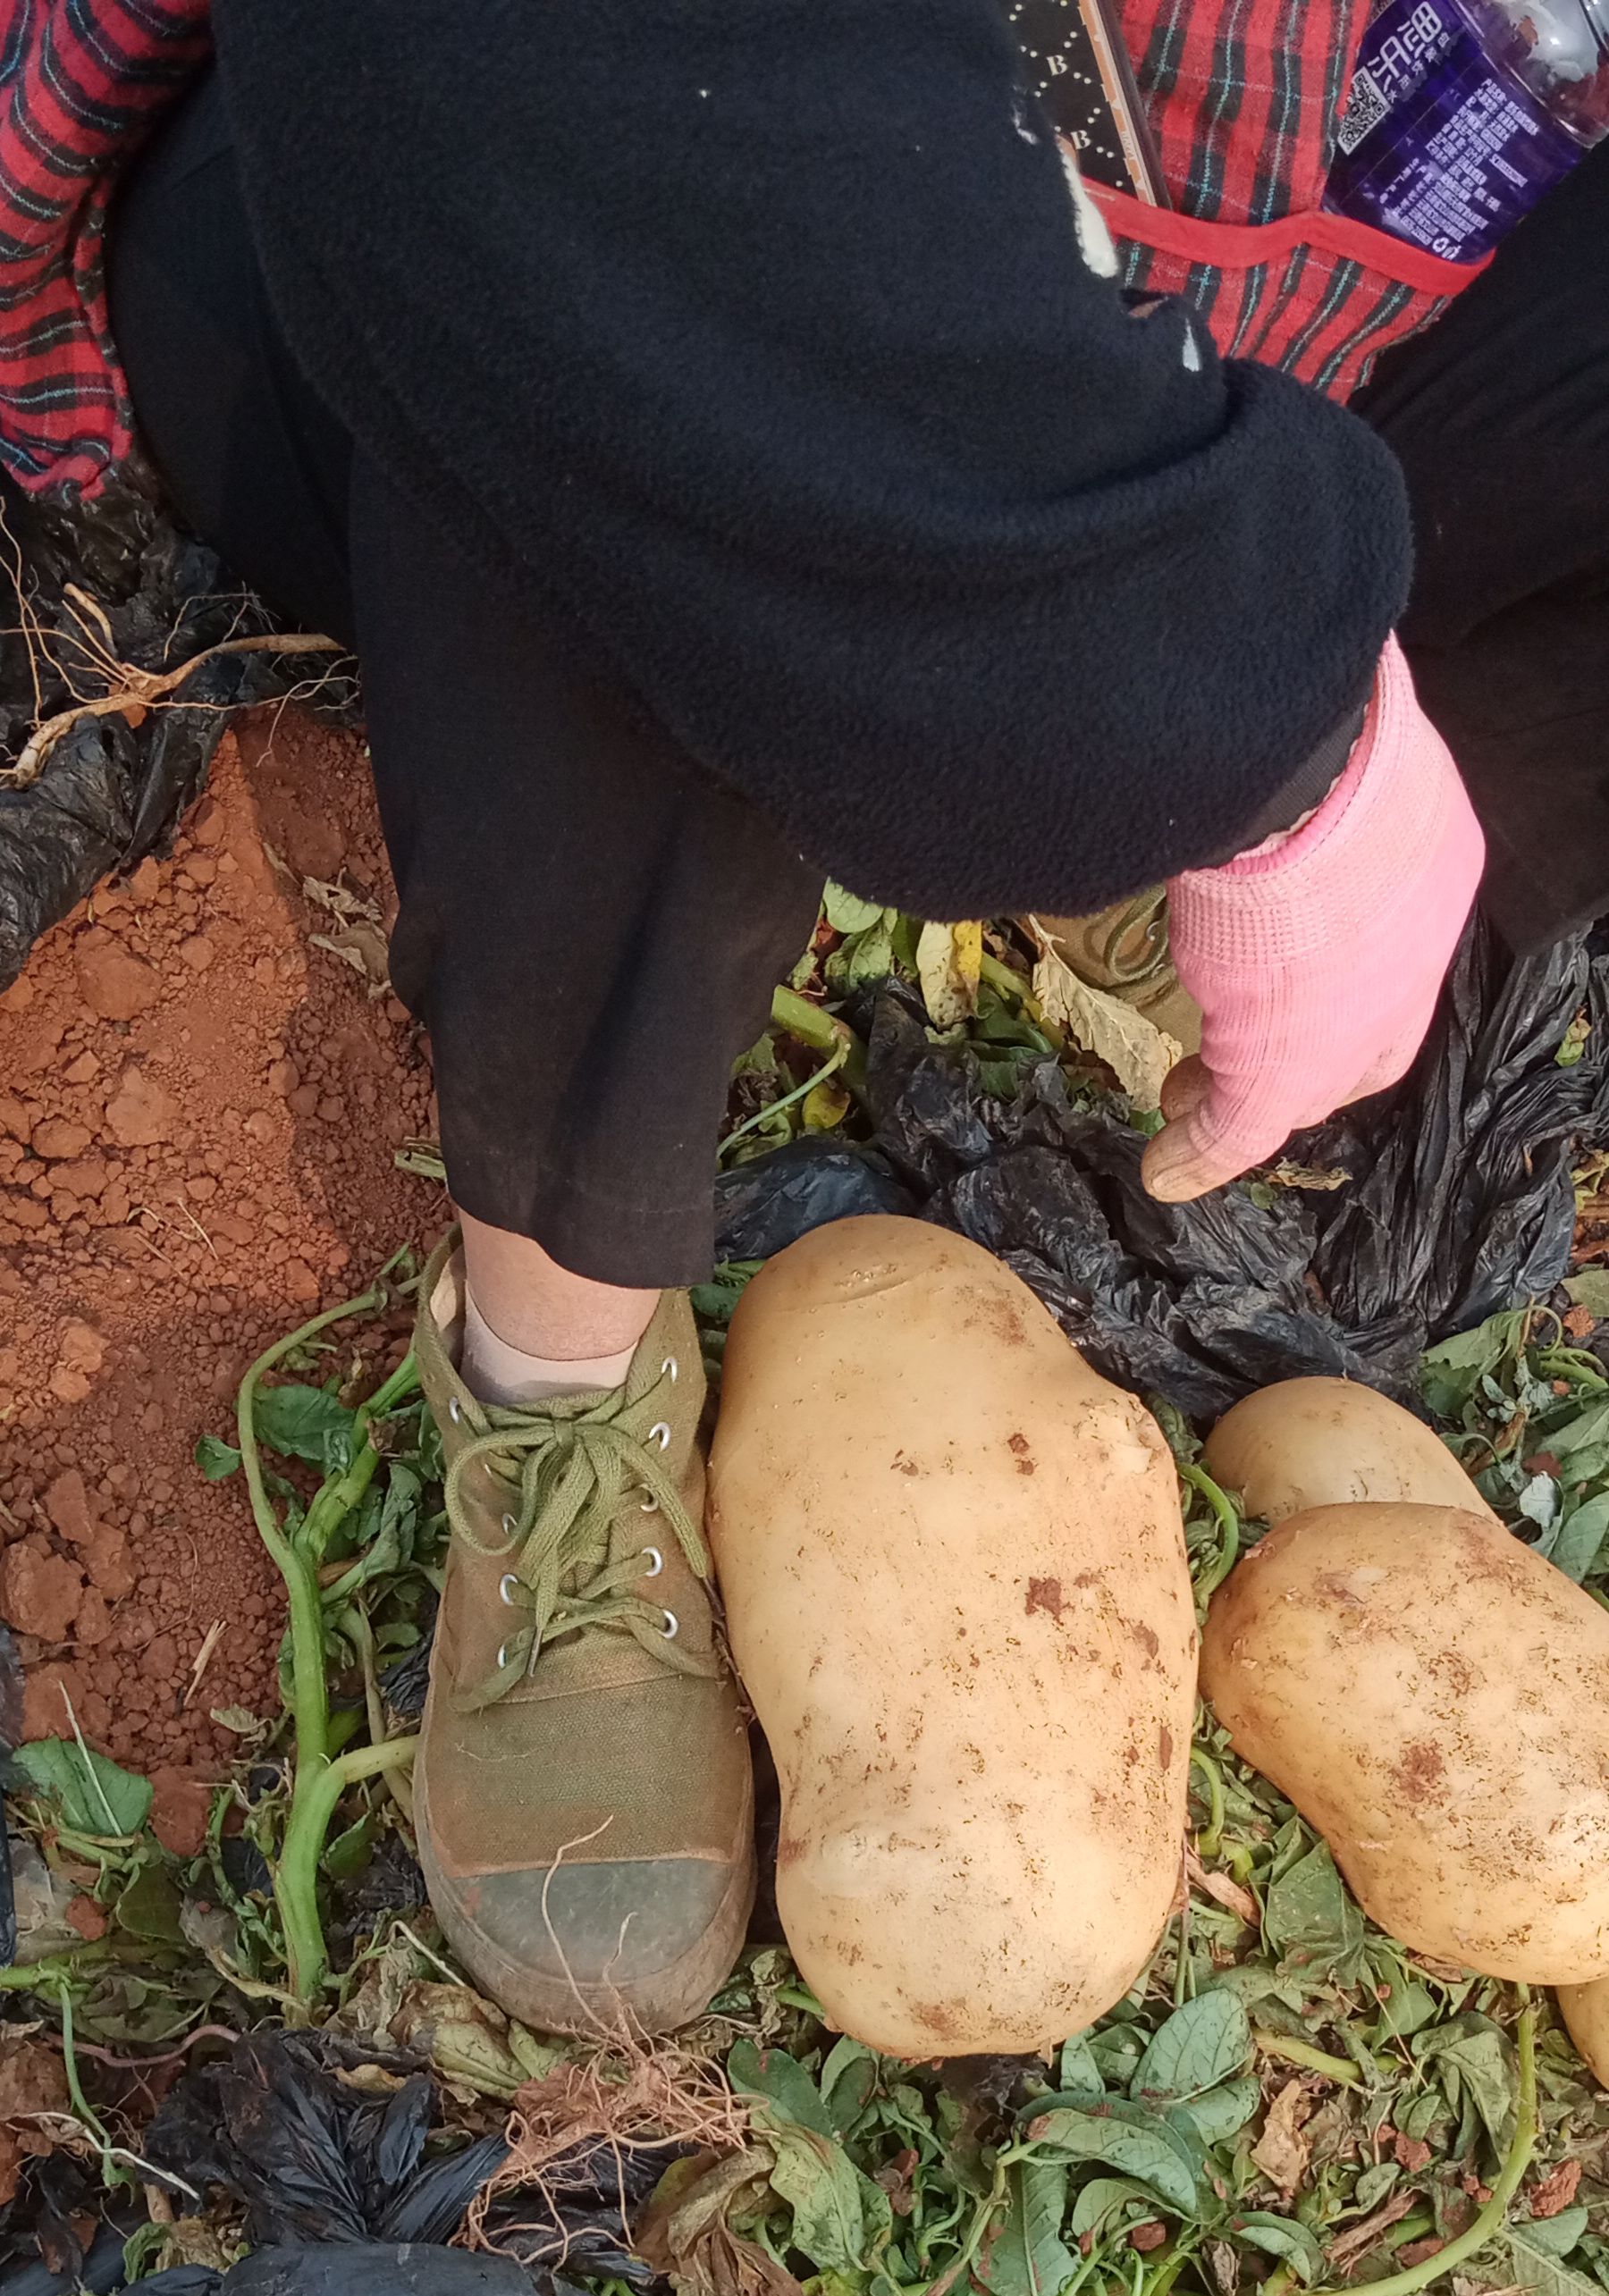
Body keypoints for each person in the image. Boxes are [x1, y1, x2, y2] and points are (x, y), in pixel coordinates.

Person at [0, 0, 1504, 2032]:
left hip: (1098, 290)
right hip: (426, 214)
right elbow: (545, 88)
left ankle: (1068, 767)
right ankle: (553, 1381)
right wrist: (1258, 708)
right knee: (681, 387)